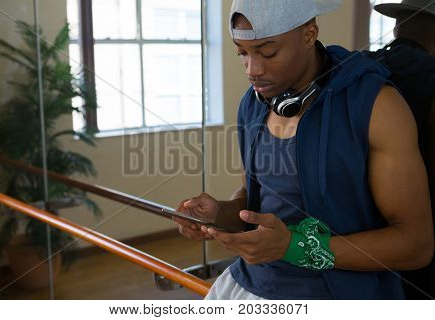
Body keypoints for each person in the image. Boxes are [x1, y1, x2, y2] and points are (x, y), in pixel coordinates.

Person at [174, 0, 433, 299]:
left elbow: (416, 245)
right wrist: (220, 213)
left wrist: (295, 248)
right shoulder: (253, 104)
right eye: (243, 54)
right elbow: (253, 201)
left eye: (268, 52)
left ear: (309, 34)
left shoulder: (377, 106)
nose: (252, 70)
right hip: (250, 284)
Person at [365, 0, 435, 299]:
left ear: (397, 26)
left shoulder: (358, 68)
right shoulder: (430, 77)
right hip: (421, 235)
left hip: (360, 235)